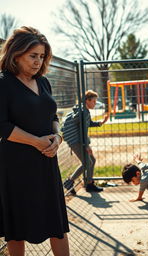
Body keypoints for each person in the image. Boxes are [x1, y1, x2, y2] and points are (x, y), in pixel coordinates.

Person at [0, 27, 69, 255]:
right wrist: (36, 142)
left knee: (57, 224)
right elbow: (3, 126)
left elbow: (53, 116)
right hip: (16, 166)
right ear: (16, 53)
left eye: (42, 56)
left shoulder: (44, 82)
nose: (38, 61)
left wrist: (57, 138)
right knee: (17, 227)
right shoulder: (3, 83)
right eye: (33, 56)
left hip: (47, 163)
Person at [63, 90, 109, 194]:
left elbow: (88, 123)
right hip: (76, 141)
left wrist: (101, 123)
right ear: (87, 101)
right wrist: (86, 145)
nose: (95, 103)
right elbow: (82, 130)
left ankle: (89, 183)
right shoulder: (83, 112)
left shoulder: (83, 110)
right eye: (93, 101)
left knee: (91, 160)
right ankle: (70, 182)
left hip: (77, 140)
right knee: (87, 162)